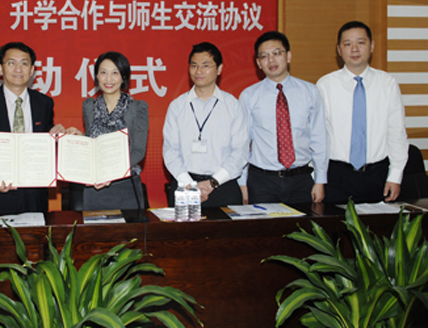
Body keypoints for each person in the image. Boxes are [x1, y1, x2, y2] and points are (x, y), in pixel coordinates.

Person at [0, 42, 64, 215]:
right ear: (0, 68)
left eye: (24, 63)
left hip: (34, 197)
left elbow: (45, 143)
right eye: (11, 63)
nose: (18, 69)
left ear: (32, 70)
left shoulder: (44, 103)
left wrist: (58, 138)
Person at [317, 21, 408, 203]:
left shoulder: (387, 83)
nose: (355, 49)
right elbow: (317, 136)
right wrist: (317, 178)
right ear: (339, 50)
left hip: (377, 175)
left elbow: (396, 133)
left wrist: (395, 176)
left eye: (361, 42)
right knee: (336, 222)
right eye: (348, 44)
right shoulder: (325, 85)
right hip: (337, 176)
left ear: (371, 46)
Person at [238, 31, 327, 205]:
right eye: (264, 56)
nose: (271, 60)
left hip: (301, 179)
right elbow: (242, 143)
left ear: (289, 56)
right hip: (262, 182)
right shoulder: (249, 96)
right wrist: (242, 182)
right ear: (258, 63)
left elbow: (319, 138)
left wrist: (320, 180)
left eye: (277, 53)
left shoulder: (310, 92)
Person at [163, 42, 248, 207]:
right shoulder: (177, 106)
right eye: (194, 65)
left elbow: (240, 152)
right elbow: (170, 151)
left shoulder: (232, 105)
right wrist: (190, 184)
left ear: (219, 69)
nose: (198, 71)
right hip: (185, 186)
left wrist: (213, 182)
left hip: (223, 187)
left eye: (206, 66)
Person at [66, 52, 149, 210]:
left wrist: (111, 172)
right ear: (97, 76)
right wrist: (80, 137)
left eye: (115, 73)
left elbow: (138, 151)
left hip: (126, 186)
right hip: (95, 187)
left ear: (123, 77)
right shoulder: (89, 107)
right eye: (103, 72)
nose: (108, 79)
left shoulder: (137, 108)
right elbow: (94, 143)